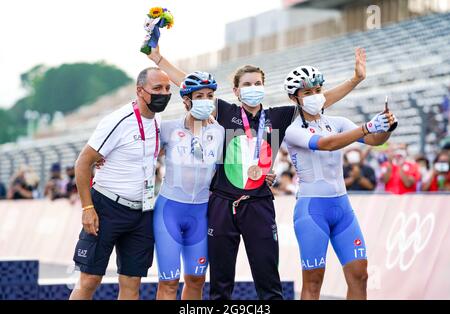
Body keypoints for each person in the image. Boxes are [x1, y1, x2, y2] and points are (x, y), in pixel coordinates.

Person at [148, 44, 367, 300]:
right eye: (247, 84)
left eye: (257, 83)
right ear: (236, 91)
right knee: (220, 285)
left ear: (264, 86)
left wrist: (355, 80)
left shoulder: (280, 117)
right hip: (222, 204)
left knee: (269, 283)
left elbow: (318, 101)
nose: (253, 88)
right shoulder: (225, 112)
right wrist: (158, 58)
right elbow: (191, 85)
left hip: (259, 204)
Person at [282, 65, 397, 300]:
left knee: (360, 275)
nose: (315, 95)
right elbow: (327, 144)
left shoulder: (338, 121)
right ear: (294, 98)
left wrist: (386, 128)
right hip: (312, 210)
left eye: (318, 89)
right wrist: (367, 126)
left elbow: (375, 140)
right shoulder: (292, 130)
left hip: (342, 207)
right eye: (307, 92)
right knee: (313, 282)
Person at [69, 67, 171, 300]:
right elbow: (82, 164)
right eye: (157, 88)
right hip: (106, 207)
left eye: (167, 89)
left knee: (131, 283)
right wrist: (87, 208)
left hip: (142, 211)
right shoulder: (118, 120)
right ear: (139, 90)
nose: (163, 94)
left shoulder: (158, 121)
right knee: (90, 279)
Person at [153, 71, 224, 300]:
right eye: (199, 95)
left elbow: (235, 168)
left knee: (196, 280)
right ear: (186, 100)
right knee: (169, 282)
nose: (205, 100)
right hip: (170, 211)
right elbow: (141, 153)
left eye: (209, 95)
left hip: (202, 212)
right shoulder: (168, 128)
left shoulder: (221, 132)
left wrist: (265, 173)